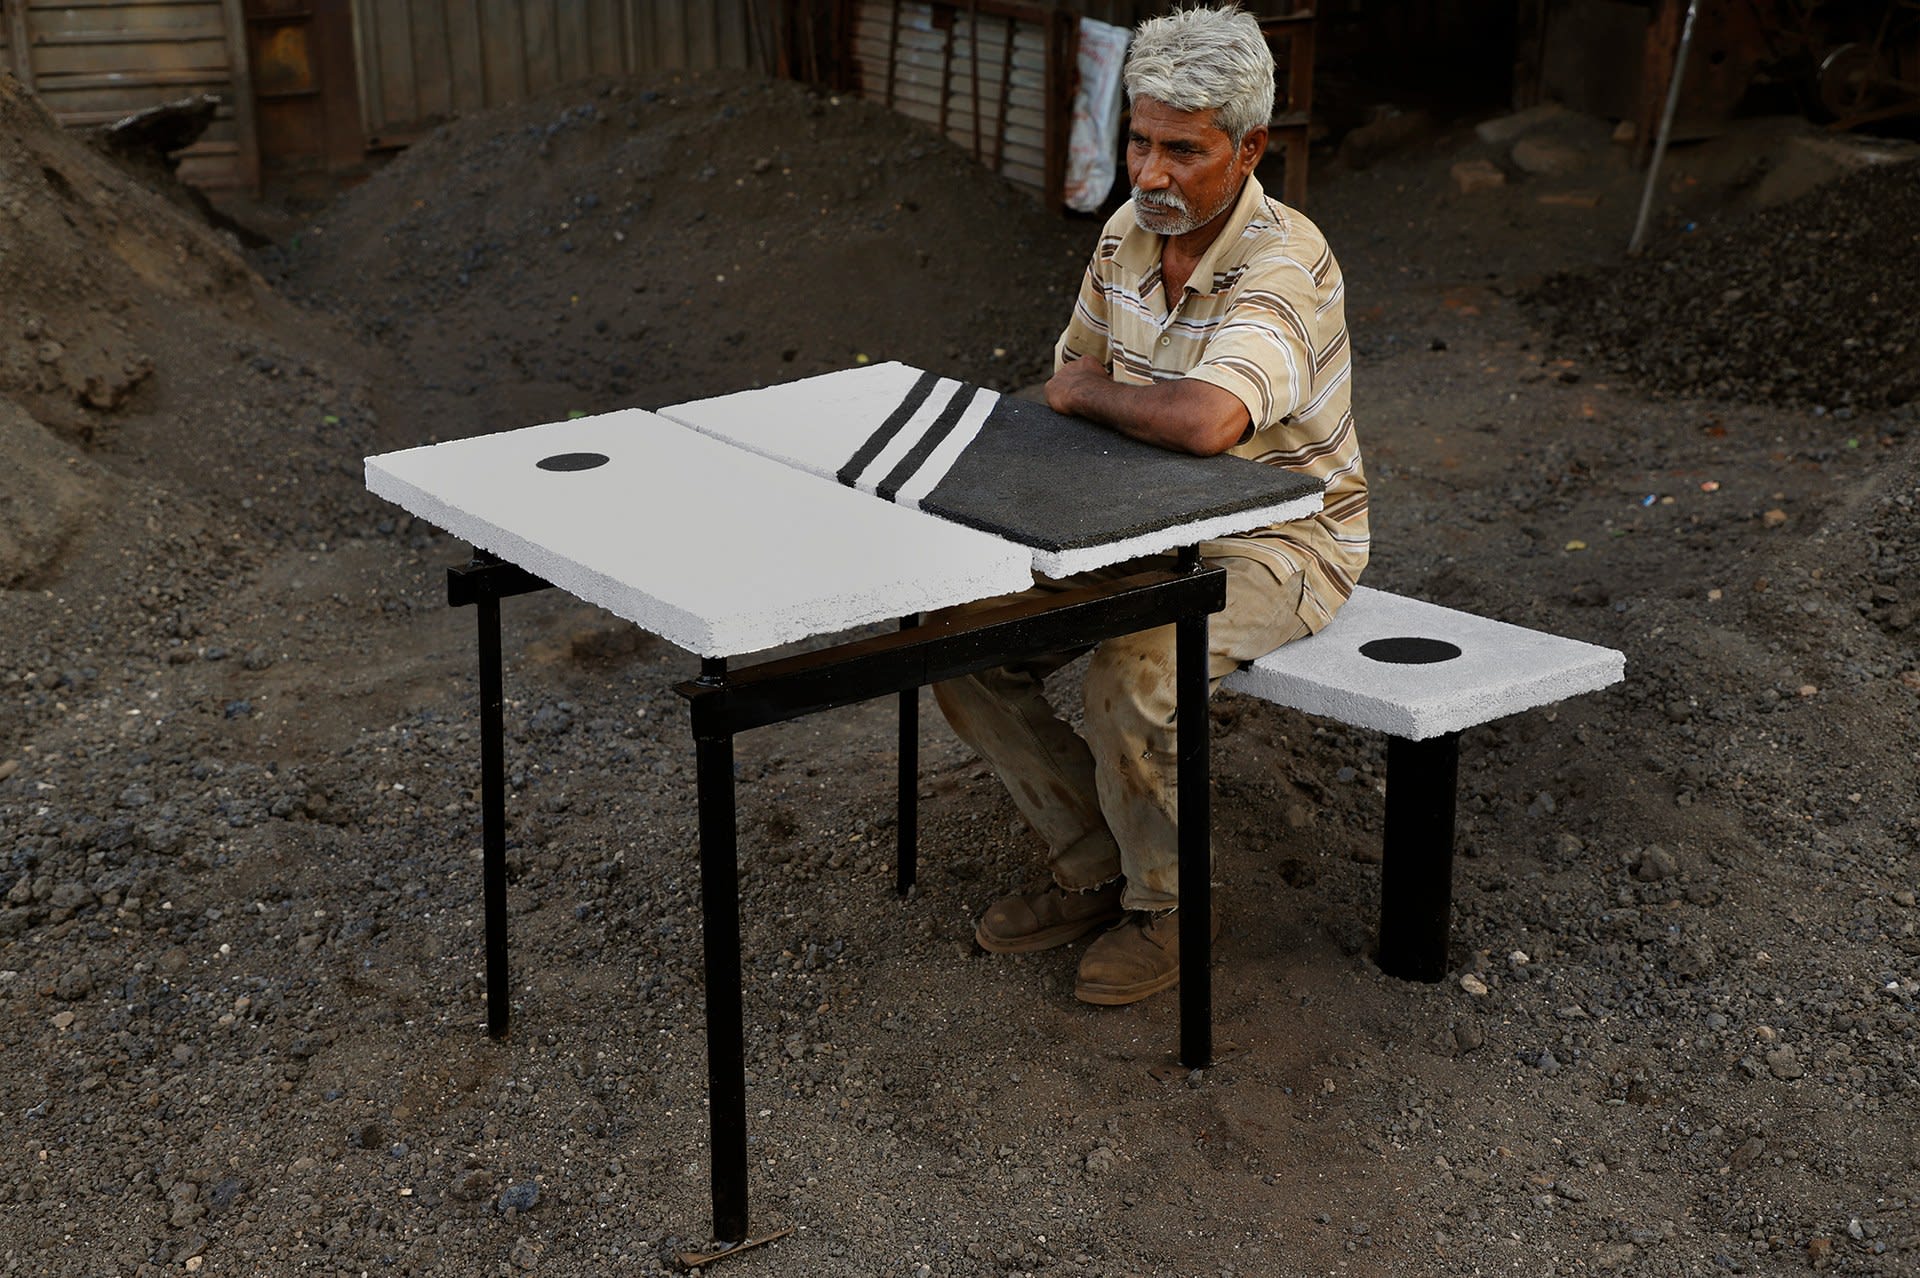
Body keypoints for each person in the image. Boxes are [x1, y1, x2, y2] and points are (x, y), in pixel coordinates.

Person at [933, 3, 1369, 1006]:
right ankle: (1094, 860)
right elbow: (1071, 375)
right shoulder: (1128, 235)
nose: (1151, 173)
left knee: (1132, 673)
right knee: (958, 644)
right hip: (1133, 516)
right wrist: (1090, 403)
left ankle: (1169, 906)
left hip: (1280, 538)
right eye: (1139, 141)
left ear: (1249, 147)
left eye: (1184, 149)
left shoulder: (1281, 260)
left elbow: (1207, 418)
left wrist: (1092, 397)